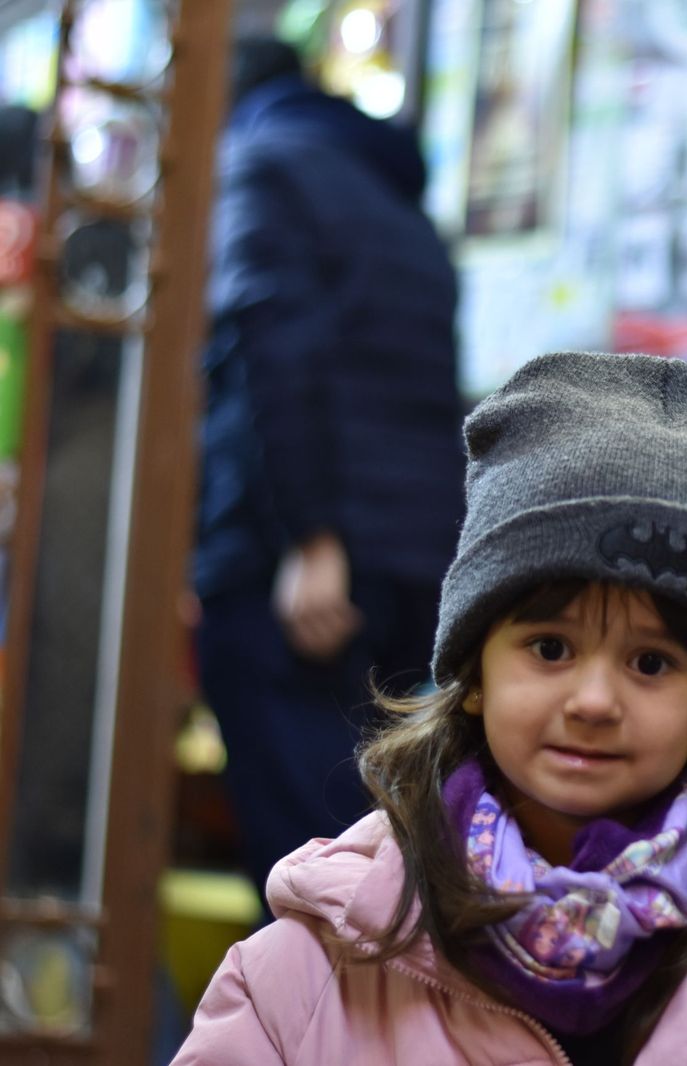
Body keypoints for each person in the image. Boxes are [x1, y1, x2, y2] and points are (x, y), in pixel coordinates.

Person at [175, 352, 687, 1064]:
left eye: (651, 663)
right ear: (475, 671)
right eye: (550, 648)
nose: (593, 702)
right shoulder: (305, 979)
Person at [191, 38, 467, 896]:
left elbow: (278, 345)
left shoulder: (259, 164)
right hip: (414, 563)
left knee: (306, 871)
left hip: (309, 567)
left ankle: (307, 1028)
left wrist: (311, 539)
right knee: (375, 841)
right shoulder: (395, 200)